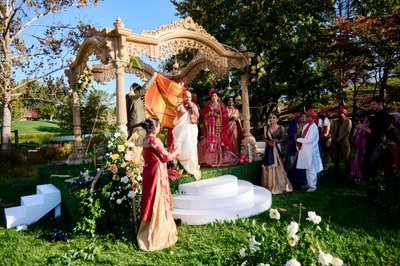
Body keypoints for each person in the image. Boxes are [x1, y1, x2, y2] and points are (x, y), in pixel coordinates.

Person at [137, 118, 180, 251]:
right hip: (157, 174)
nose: (159, 127)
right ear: (155, 128)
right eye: (159, 126)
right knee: (158, 200)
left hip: (149, 173)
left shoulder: (145, 140)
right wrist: (176, 152)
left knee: (150, 200)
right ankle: (159, 233)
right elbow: (166, 157)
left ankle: (147, 228)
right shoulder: (154, 140)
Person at [197, 89, 239, 167]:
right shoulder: (208, 104)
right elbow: (203, 114)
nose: (214, 97)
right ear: (211, 97)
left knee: (217, 141)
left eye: (215, 96)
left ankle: (218, 159)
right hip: (209, 126)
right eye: (212, 96)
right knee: (209, 141)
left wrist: (217, 116)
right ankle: (208, 160)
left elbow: (225, 116)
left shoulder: (220, 105)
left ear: (217, 97)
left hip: (218, 126)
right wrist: (208, 114)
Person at [172, 91, 201, 180]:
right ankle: (181, 167)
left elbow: (198, 115)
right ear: (183, 97)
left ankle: (191, 168)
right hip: (181, 132)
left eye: (189, 97)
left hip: (191, 132)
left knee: (190, 146)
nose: (188, 99)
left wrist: (192, 107)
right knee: (182, 147)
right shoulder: (179, 106)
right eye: (186, 97)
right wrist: (179, 108)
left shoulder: (193, 106)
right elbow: (177, 117)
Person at [261, 113, 293, 194]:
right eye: (271, 117)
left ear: (277, 119)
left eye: (274, 118)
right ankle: (269, 184)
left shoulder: (281, 127)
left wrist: (275, 141)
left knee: (278, 164)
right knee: (269, 163)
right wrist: (268, 142)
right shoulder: (267, 128)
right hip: (269, 148)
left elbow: (283, 138)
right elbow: (263, 137)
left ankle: (280, 184)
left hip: (277, 147)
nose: (272, 119)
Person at [362, 96, 392, 179]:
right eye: (371, 104)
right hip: (371, 144)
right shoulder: (376, 114)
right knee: (368, 166)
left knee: (369, 166)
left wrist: (363, 127)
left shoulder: (384, 115)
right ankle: (371, 185)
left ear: (380, 104)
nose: (372, 106)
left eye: (373, 104)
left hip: (377, 144)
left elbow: (377, 132)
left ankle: (373, 185)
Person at [296, 109, 323, 192]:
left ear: (311, 118)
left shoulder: (313, 127)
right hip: (305, 150)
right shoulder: (306, 126)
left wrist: (298, 139)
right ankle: (309, 183)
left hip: (311, 151)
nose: (306, 118)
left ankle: (313, 186)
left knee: (312, 169)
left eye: (307, 116)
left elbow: (309, 140)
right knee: (307, 168)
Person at [330, 106, 352, 177]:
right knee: (335, 157)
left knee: (346, 157)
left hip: (344, 141)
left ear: (345, 114)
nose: (340, 114)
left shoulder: (348, 121)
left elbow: (347, 131)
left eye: (342, 113)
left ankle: (348, 172)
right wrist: (334, 138)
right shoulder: (334, 121)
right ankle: (336, 172)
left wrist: (339, 139)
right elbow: (331, 130)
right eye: (339, 113)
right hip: (335, 142)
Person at [350, 114, 368, 179]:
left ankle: (361, 174)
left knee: (361, 158)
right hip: (360, 143)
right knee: (359, 158)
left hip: (362, 143)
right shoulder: (362, 126)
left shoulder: (363, 126)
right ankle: (359, 174)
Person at [318, 108, 331, 173]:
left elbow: (330, 131)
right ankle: (321, 167)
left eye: (323, 113)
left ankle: (325, 168)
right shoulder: (319, 121)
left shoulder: (329, 121)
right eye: (321, 113)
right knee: (321, 153)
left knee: (326, 154)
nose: (322, 114)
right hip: (320, 139)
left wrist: (326, 136)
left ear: (326, 114)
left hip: (327, 139)